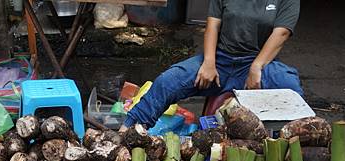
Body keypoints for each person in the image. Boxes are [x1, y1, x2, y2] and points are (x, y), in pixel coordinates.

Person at [122, 0, 303, 130]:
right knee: (168, 81)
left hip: (258, 62)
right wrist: (209, 62)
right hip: (220, 61)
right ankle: (130, 128)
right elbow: (212, 26)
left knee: (290, 87)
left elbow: (281, 33)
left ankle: (295, 146)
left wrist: (257, 66)